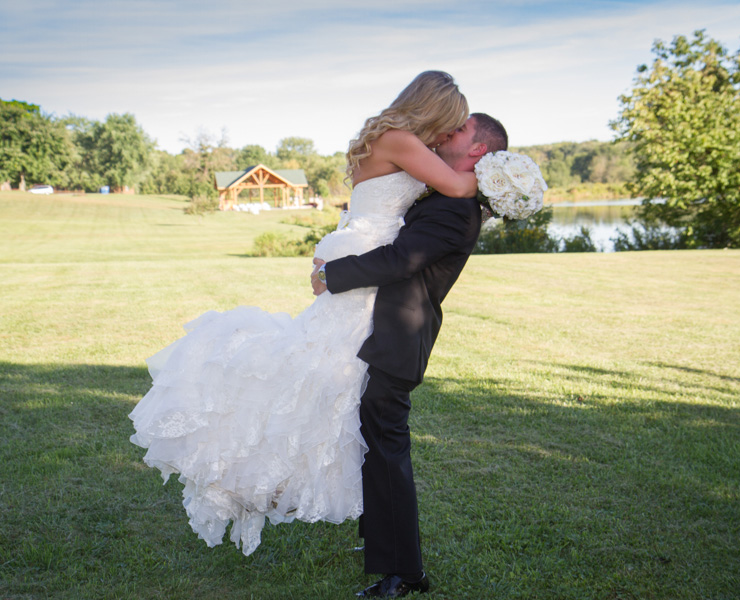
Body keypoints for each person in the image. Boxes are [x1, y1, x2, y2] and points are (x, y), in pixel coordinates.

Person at [128, 71, 482, 559]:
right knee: (331, 381)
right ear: (434, 109)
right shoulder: (401, 140)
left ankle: (363, 524)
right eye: (450, 125)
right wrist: (503, 177)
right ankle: (263, 470)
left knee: (336, 386)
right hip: (365, 259)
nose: (447, 137)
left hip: (361, 254)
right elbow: (459, 185)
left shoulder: (392, 139)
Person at [311, 112, 508, 597]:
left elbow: (401, 261)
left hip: (398, 340)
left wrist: (331, 276)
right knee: (371, 445)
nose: (446, 133)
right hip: (378, 331)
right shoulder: (442, 194)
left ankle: (406, 573)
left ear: (478, 149)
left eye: (459, 130)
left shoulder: (456, 211)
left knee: (386, 447)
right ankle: (384, 544)